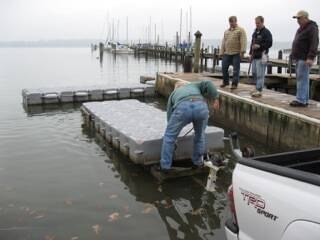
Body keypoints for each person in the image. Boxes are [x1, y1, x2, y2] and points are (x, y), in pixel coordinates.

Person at [160, 80, 220, 171]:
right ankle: (197, 162)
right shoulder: (194, 85)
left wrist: (173, 137)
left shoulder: (173, 93)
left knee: (169, 137)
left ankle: (165, 166)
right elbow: (208, 83)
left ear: (176, 88)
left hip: (183, 108)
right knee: (200, 136)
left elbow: (169, 115)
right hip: (201, 107)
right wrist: (216, 97)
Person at [290, 10, 319, 107]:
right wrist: (293, 55)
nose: (297, 20)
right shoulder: (301, 28)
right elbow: (297, 42)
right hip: (299, 57)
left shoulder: (312, 28)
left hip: (304, 58)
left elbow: (314, 43)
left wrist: (311, 57)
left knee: (302, 79)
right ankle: (304, 99)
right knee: (302, 79)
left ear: (305, 18)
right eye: (296, 18)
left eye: (299, 18)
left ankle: (300, 100)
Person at [220, 16, 247, 89]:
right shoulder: (226, 31)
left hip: (236, 53)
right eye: (230, 22)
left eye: (232, 22)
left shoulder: (241, 30)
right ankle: (225, 82)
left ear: (236, 21)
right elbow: (223, 42)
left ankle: (234, 84)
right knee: (224, 68)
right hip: (227, 53)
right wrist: (221, 52)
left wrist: (242, 52)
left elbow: (243, 41)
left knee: (236, 70)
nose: (231, 23)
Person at [249, 16, 273, 97]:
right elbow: (252, 44)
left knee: (260, 74)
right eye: (256, 23)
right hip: (254, 56)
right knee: (254, 73)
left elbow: (270, 43)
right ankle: (256, 88)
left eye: (258, 23)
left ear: (262, 22)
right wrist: (250, 54)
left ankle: (259, 90)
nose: (257, 25)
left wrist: (260, 46)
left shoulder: (266, 32)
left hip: (262, 56)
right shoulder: (255, 32)